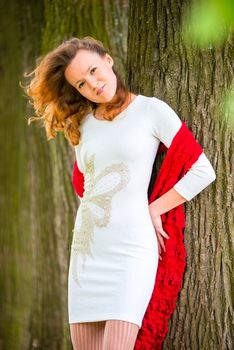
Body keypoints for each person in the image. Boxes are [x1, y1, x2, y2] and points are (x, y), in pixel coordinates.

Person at [24, 36, 216, 350]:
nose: (94, 84)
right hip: (87, 252)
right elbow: (86, 189)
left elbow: (203, 170)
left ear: (108, 60)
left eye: (94, 70)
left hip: (131, 251)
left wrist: (154, 209)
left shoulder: (151, 110)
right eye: (82, 84)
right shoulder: (82, 126)